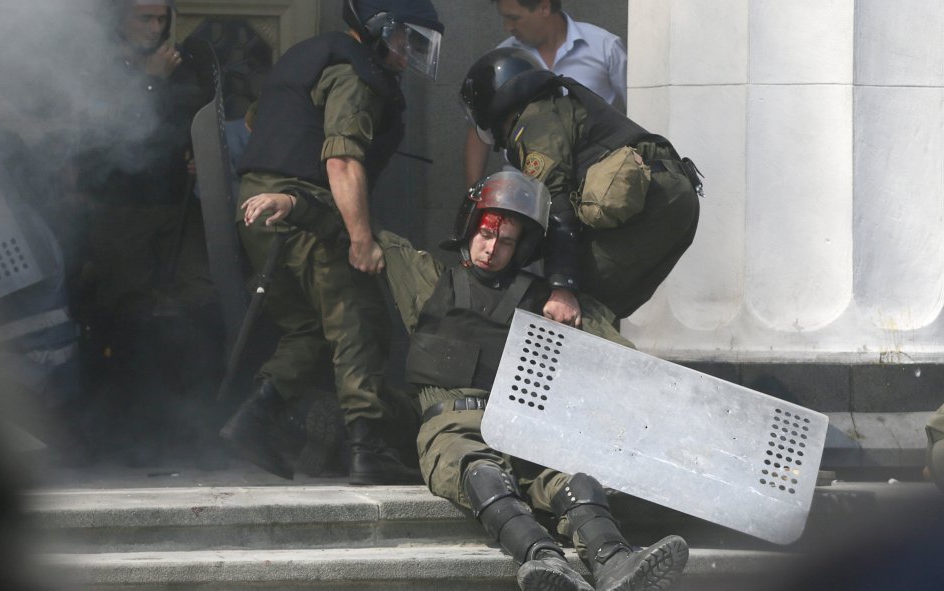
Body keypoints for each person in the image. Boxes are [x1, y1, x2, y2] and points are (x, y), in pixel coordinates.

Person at [242, 171, 689, 591]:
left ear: (522, 249)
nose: (492, 249)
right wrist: (294, 203)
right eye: (487, 233)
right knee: (483, 475)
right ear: (471, 227)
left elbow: (628, 364)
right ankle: (544, 559)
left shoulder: (543, 302)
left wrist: (569, 303)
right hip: (453, 427)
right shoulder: (430, 281)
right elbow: (359, 229)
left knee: (577, 482)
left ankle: (616, 562)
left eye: (507, 242)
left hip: (524, 427)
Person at [221, 0, 445, 485]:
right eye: (405, 39)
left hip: (256, 206)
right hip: (305, 212)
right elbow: (342, 159)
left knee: (308, 329)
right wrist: (361, 239)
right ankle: (370, 448)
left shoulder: (309, 55)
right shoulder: (355, 74)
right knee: (355, 322)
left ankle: (255, 419)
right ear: (379, 29)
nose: (409, 53)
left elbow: (262, 124)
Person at [75, 0, 222, 465]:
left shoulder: (181, 64)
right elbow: (110, 133)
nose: (156, 28)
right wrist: (151, 78)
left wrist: (201, 156)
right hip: (122, 210)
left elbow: (194, 120)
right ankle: (128, 436)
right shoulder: (99, 66)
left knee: (195, 304)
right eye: (146, 18)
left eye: (162, 19)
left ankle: (187, 429)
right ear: (121, 18)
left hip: (177, 204)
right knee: (130, 315)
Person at [459, 47, 701, 327]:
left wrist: (563, 286)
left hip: (652, 205)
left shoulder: (534, 124)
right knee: (600, 311)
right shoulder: (560, 107)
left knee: (572, 307)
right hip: (674, 196)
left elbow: (557, 206)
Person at [464, 0, 627, 187]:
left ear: (544, 7)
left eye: (514, 18)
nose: (508, 27)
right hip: (521, 187)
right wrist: (474, 194)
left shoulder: (605, 48)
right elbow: (478, 130)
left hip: (592, 185)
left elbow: (642, 106)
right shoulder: (503, 61)